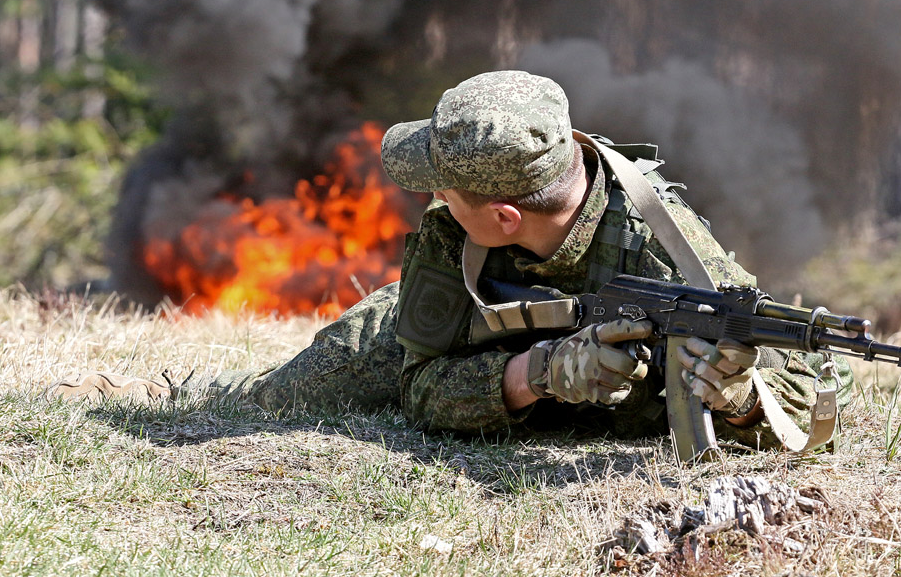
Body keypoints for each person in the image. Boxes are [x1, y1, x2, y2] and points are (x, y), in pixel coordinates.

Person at [52, 71, 852, 449]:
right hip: (491, 325)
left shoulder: (669, 249)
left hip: (615, 371)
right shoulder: (457, 234)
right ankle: (180, 392)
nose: (428, 197)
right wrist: (535, 375)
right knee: (283, 398)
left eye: (442, 187)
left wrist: (740, 397)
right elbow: (420, 385)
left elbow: (806, 396)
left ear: (503, 215)